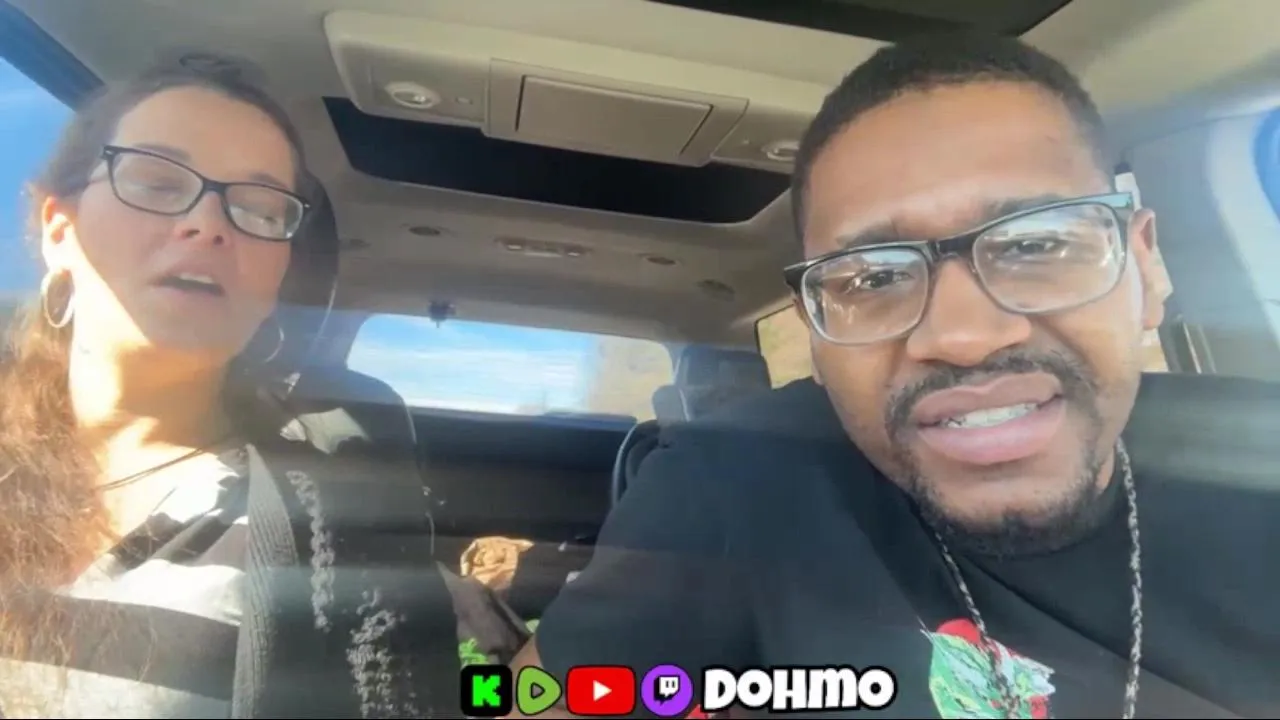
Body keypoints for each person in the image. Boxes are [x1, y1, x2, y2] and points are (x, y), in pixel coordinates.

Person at [511, 33, 1280, 719]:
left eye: (1037, 245)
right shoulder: (736, 480)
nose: (964, 338)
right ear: (816, 332)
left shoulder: (1261, 462)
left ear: (1146, 268)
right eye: (874, 277)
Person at [0, 67, 461, 719]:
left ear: (278, 275)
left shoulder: (334, 531)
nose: (208, 224)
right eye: (157, 182)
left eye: (259, 209)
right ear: (60, 229)